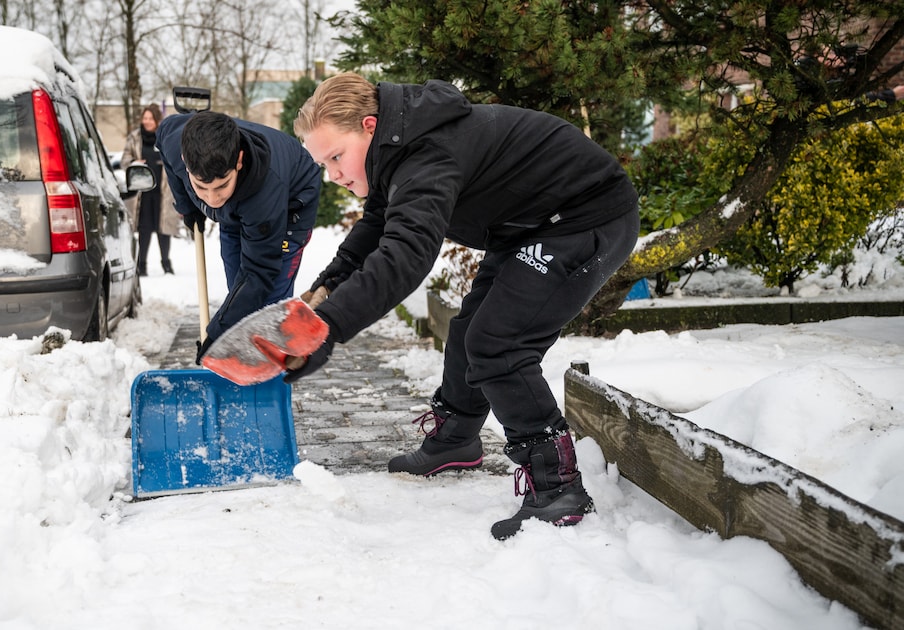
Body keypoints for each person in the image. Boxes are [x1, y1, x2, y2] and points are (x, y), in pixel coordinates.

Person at [287, 72, 640, 540]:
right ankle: (456, 439)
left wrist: (326, 329)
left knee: (499, 343)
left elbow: (404, 256)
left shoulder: (427, 156)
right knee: (470, 330)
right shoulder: (397, 151)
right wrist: (324, 291)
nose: (332, 174)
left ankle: (558, 489)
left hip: (585, 220)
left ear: (370, 127)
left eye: (335, 157)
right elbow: (374, 231)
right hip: (529, 225)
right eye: (323, 164)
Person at [157, 110, 322, 359]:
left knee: (267, 305)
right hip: (238, 208)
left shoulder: (266, 194)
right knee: (238, 288)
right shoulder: (174, 141)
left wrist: (215, 333)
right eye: (201, 187)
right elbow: (164, 141)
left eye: (222, 185)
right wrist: (187, 206)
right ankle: (242, 362)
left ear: (239, 161)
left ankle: (272, 371)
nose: (212, 199)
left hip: (289, 205)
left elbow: (259, 272)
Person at [122, 103, 179, 276]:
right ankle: (142, 265)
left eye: (150, 118)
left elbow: (175, 159)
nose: (147, 122)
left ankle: (166, 264)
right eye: (144, 118)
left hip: (163, 192)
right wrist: (134, 163)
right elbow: (125, 160)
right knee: (144, 229)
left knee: (164, 229)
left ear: (157, 120)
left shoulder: (165, 137)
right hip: (143, 192)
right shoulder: (134, 137)